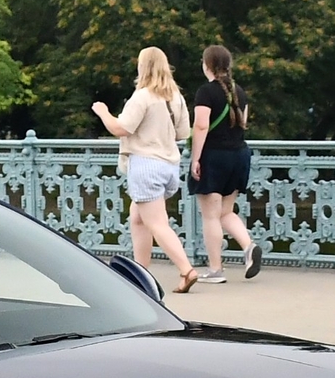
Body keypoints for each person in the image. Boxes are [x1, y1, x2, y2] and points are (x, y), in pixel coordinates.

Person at [90, 47, 199, 293]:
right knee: (138, 218)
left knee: (157, 223)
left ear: (142, 67)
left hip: (146, 166)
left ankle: (187, 270)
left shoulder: (142, 97)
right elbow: (183, 133)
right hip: (169, 165)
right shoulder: (176, 97)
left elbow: (121, 128)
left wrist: (103, 112)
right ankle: (141, 274)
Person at [187, 44, 260, 282]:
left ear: (206, 65)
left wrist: (195, 158)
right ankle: (249, 246)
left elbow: (201, 125)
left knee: (210, 215)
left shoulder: (205, 92)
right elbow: (242, 123)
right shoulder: (240, 91)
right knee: (226, 211)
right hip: (239, 154)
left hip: (214, 156)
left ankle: (216, 269)